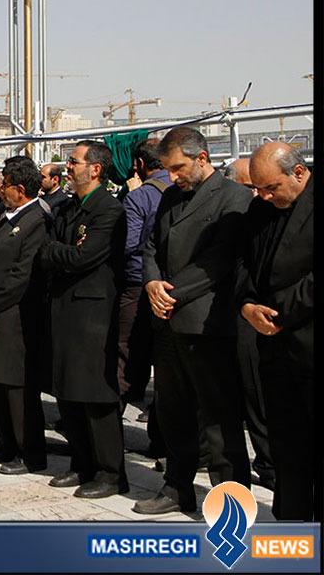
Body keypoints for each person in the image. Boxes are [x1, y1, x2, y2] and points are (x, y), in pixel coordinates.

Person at [134, 126, 253, 515]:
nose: (173, 176)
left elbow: (217, 261)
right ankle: (177, 487)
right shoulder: (170, 196)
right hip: (167, 323)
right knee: (173, 412)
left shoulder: (235, 198)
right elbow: (151, 245)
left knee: (219, 419)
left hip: (206, 325)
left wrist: (171, 293)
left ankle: (232, 501)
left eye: (179, 167)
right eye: (168, 168)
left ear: (202, 158)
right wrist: (151, 281)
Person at [39, 140, 128, 499]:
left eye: (74, 162)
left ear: (95, 169)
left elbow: (81, 257)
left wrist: (55, 253)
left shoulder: (108, 209)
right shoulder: (69, 209)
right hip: (64, 309)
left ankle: (110, 472)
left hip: (92, 313)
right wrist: (59, 253)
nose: (68, 167)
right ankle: (83, 463)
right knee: (68, 391)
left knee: (95, 394)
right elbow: (55, 251)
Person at [238, 142, 315, 521]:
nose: (265, 196)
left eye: (271, 188)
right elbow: (243, 264)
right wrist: (247, 305)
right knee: (286, 449)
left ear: (298, 173)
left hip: (308, 343)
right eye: (259, 189)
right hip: (273, 351)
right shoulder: (259, 209)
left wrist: (278, 312)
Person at [0, 156, 52, 475]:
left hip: (15, 316)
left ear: (19, 189)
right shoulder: (8, 218)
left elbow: (21, 276)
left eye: (4, 185)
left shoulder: (36, 220)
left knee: (17, 387)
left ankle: (29, 451)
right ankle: (7, 442)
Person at [224, 156, 275, 490]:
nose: (257, 195)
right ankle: (267, 465)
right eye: (250, 187)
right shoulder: (244, 217)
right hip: (245, 315)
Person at [118, 140, 170, 411]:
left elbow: (128, 243)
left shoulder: (139, 196)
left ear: (139, 164)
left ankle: (122, 397)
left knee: (127, 345)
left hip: (137, 281)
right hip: (171, 283)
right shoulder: (181, 189)